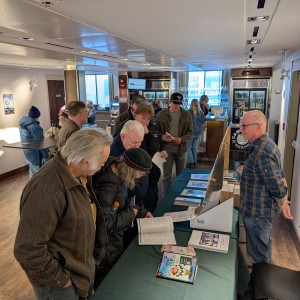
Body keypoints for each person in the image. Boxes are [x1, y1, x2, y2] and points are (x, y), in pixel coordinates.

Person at [14, 128, 113, 300]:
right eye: (102, 162)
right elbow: (27, 249)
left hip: (78, 266)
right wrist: (62, 280)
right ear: (85, 161)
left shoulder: (79, 173)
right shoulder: (46, 189)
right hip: (61, 283)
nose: (104, 164)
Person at [92, 148, 153, 287]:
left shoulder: (118, 169)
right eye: (141, 173)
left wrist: (141, 211)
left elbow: (123, 203)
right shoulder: (108, 186)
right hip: (105, 250)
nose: (141, 177)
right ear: (131, 169)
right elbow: (104, 223)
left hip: (112, 243)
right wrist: (131, 214)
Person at [239, 110, 293, 264]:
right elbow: (280, 176)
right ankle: (258, 283)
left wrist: (283, 202)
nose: (241, 130)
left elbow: (277, 185)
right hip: (255, 211)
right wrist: (283, 201)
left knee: (260, 256)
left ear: (258, 126)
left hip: (258, 213)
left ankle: (260, 286)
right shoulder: (264, 144)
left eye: (244, 126)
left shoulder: (262, 151)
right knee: (257, 252)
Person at [114, 103, 167, 211]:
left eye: (148, 119)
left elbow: (157, 145)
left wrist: (161, 149)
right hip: (133, 176)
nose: (145, 122)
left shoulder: (152, 127)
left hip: (151, 173)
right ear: (135, 115)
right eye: (143, 118)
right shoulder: (125, 127)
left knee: (152, 200)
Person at [156, 92, 193, 194]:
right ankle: (167, 197)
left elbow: (190, 132)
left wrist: (181, 139)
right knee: (166, 176)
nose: (177, 106)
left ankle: (179, 195)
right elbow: (156, 132)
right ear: (169, 102)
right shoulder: (162, 115)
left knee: (180, 175)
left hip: (181, 148)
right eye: (175, 103)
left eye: (179, 103)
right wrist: (163, 137)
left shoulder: (186, 115)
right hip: (166, 148)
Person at [19, 106, 49, 178]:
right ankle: (39, 189)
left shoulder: (22, 124)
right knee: (38, 176)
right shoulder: (35, 127)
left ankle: (30, 188)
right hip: (36, 154)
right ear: (37, 116)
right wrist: (46, 156)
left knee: (32, 173)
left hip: (27, 152)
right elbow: (41, 143)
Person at [186, 99, 206, 168]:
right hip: (198, 132)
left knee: (188, 147)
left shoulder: (188, 112)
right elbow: (204, 121)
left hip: (190, 132)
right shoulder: (201, 112)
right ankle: (194, 162)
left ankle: (190, 162)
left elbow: (186, 123)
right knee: (194, 147)